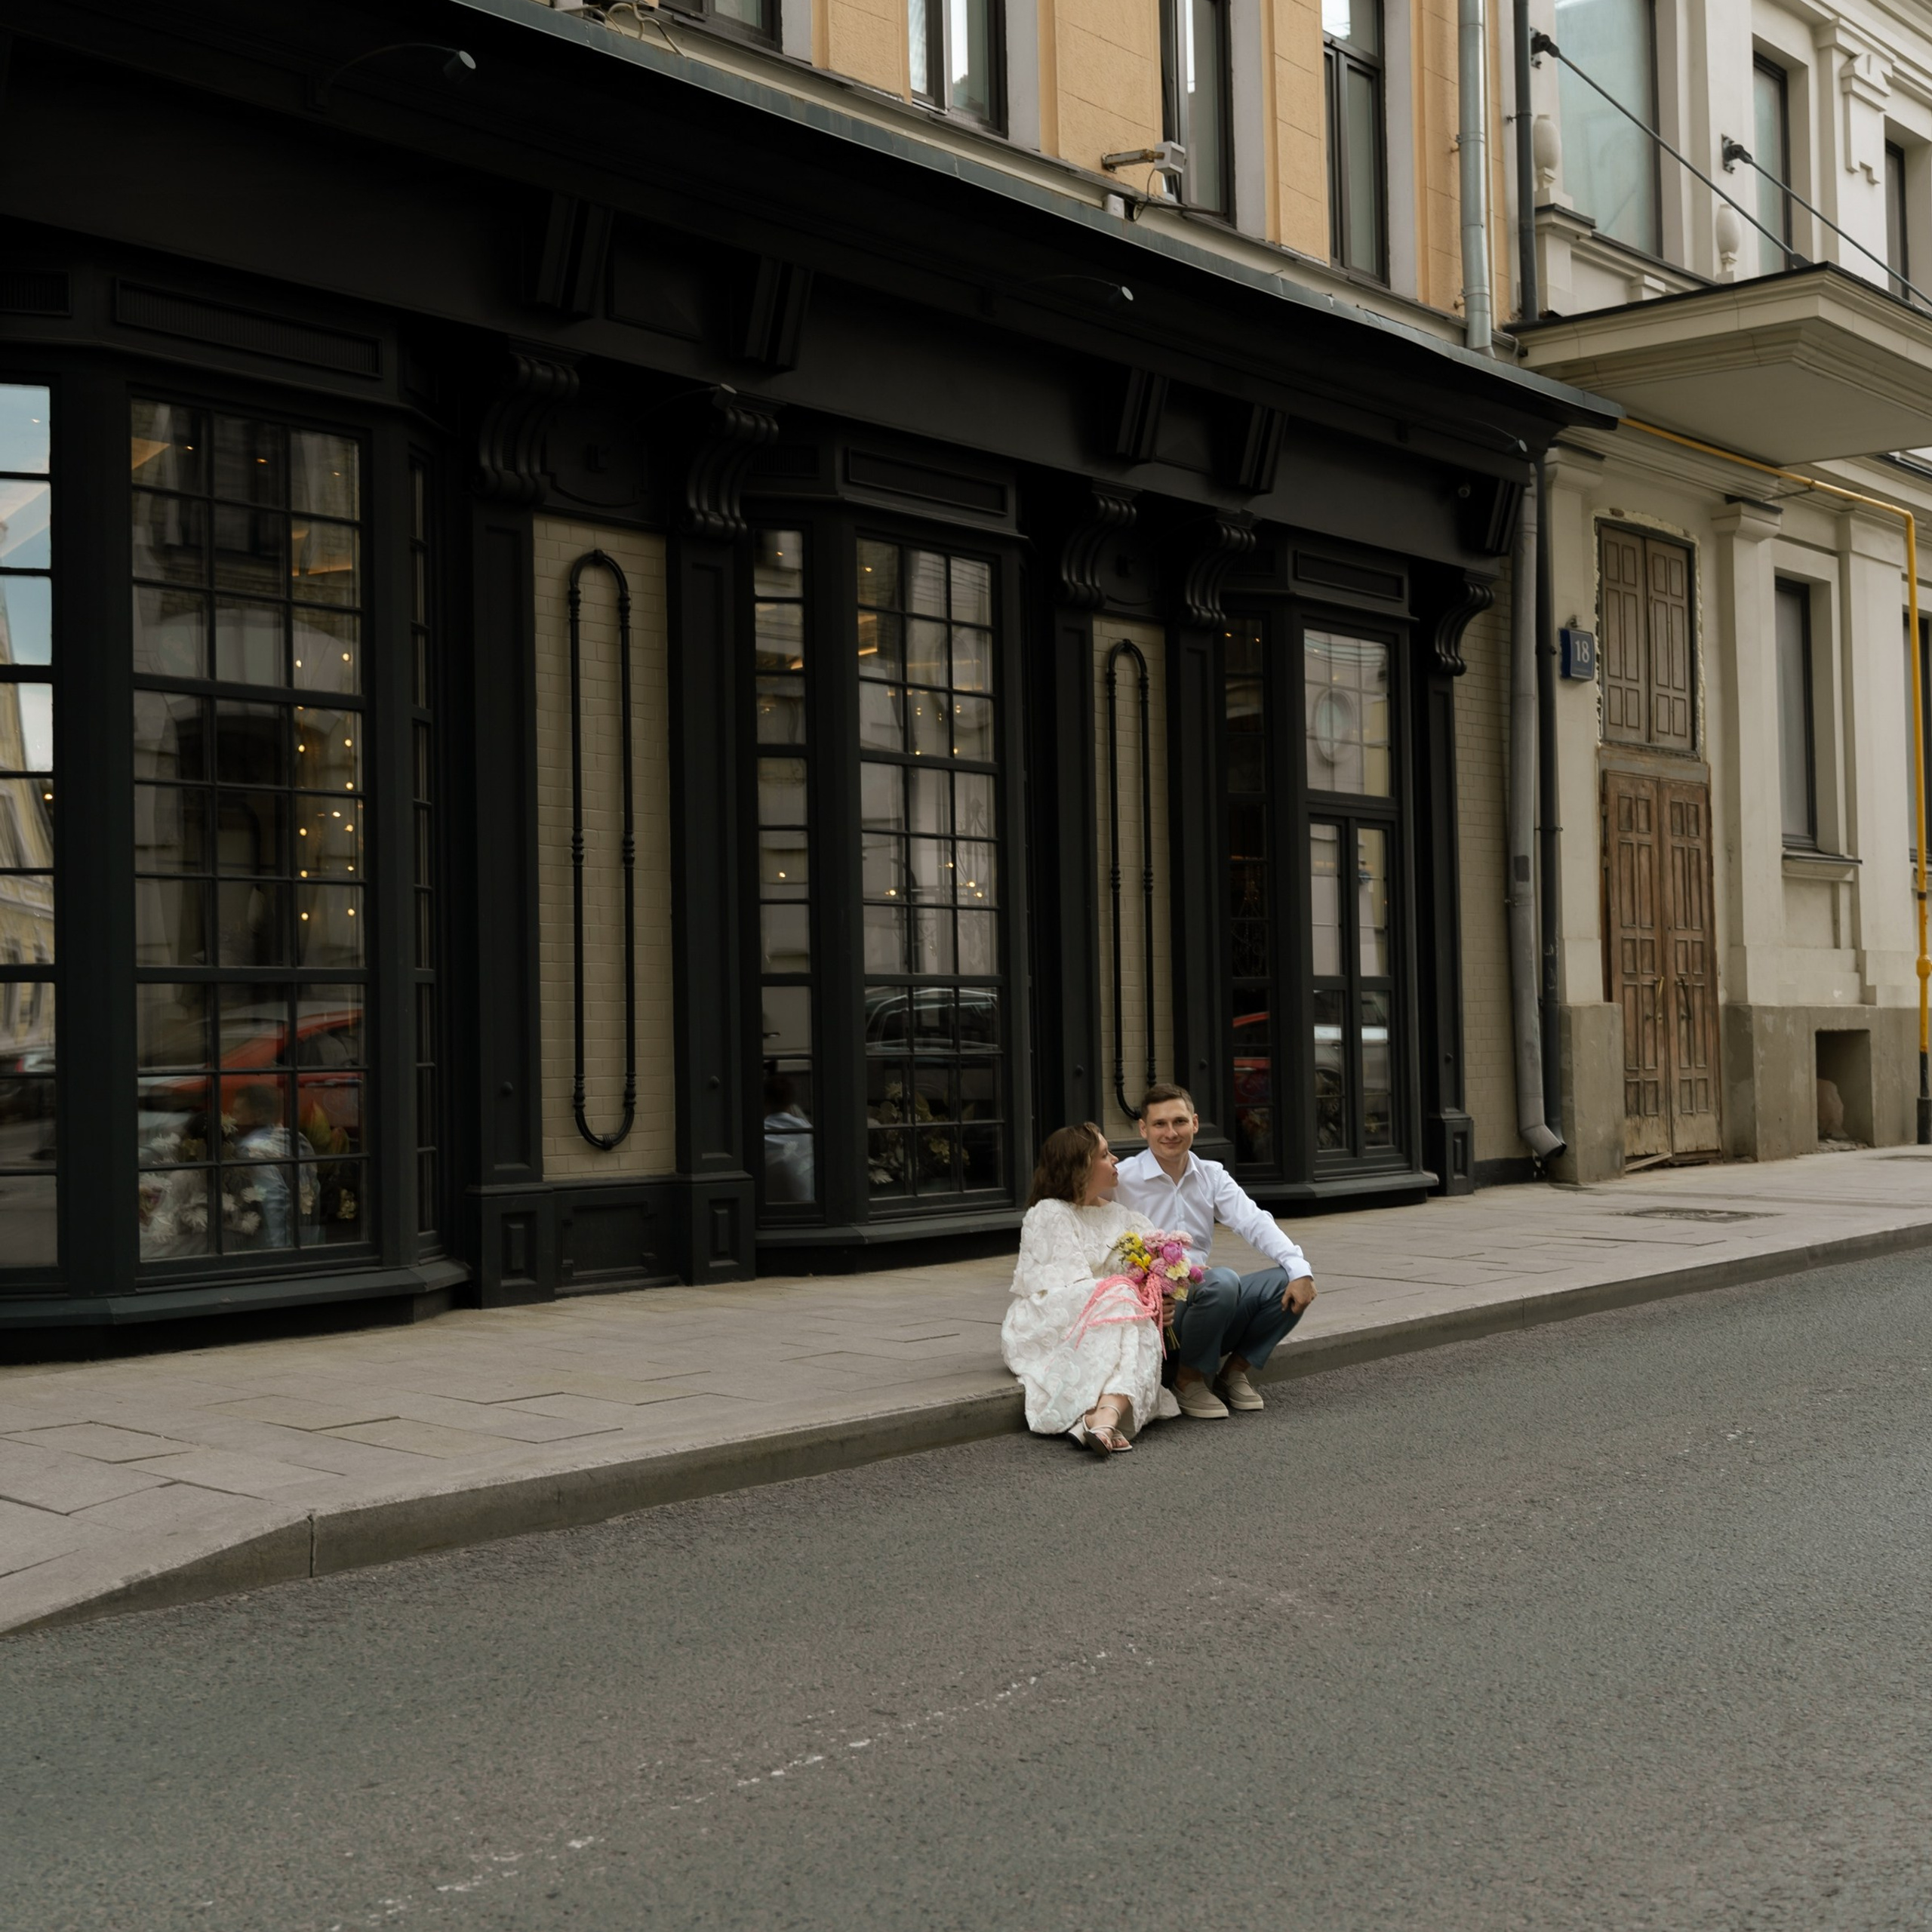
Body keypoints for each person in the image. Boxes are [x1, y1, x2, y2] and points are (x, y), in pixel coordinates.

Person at [1113, 1083, 1317, 1420]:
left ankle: (1233, 1373)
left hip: (1204, 1300)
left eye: (1179, 1122)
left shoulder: (1211, 1175)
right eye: (1160, 1124)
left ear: (1194, 1123)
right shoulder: (1123, 1180)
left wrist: (1300, 1268)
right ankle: (1188, 1381)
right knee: (1223, 1282)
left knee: (1290, 1281)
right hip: (1155, 1312)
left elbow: (1254, 1222)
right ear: (1143, 1129)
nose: (1170, 1133)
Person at [1001, 1121, 1174, 1457]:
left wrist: (1160, 1295)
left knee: (1127, 1301)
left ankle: (1102, 1416)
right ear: (1080, 1166)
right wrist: (1131, 1293)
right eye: (1105, 1154)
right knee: (1123, 1297)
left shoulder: (1125, 1218)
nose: (1115, 1160)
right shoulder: (1049, 1212)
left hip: (1115, 1314)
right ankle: (1108, 1413)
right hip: (1049, 1318)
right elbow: (1069, 1285)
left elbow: (1153, 1268)